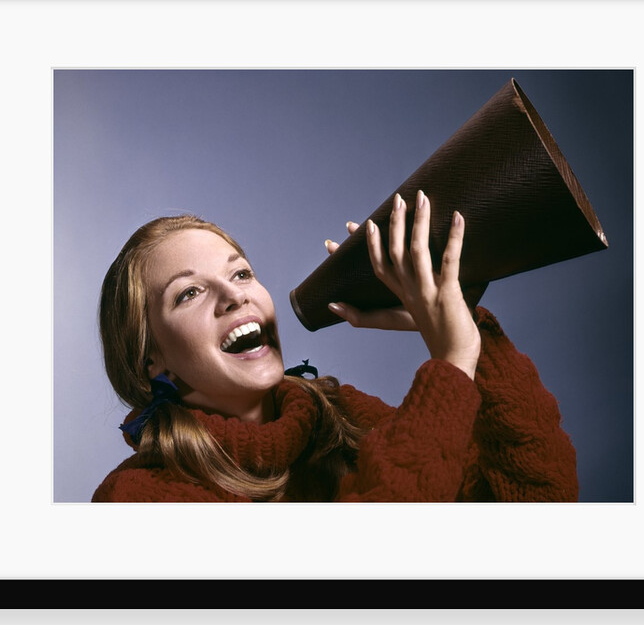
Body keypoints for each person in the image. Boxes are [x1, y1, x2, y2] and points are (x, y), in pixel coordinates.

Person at [91, 191, 579, 502]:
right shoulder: (137, 496)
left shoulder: (341, 415)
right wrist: (450, 368)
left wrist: (468, 335)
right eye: (189, 293)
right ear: (150, 360)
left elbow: (539, 498)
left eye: (240, 273)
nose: (234, 295)